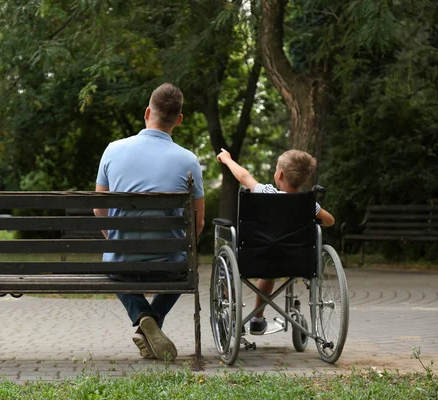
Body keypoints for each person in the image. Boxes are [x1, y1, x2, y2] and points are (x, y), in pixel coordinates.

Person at [94, 83, 205, 361]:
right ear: (178, 120)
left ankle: (144, 316)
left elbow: (99, 210)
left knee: (113, 264)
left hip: (123, 262)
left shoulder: (113, 150)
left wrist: (118, 243)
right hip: (170, 265)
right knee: (186, 268)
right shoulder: (189, 160)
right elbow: (198, 222)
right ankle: (151, 322)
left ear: (147, 112)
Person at [216, 148, 335, 334]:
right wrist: (312, 219)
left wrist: (227, 159)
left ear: (279, 174)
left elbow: (243, 176)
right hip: (297, 261)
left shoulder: (266, 192)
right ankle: (256, 320)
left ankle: (232, 315)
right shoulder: (309, 203)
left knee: (232, 266)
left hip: (257, 257)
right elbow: (330, 220)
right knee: (270, 267)